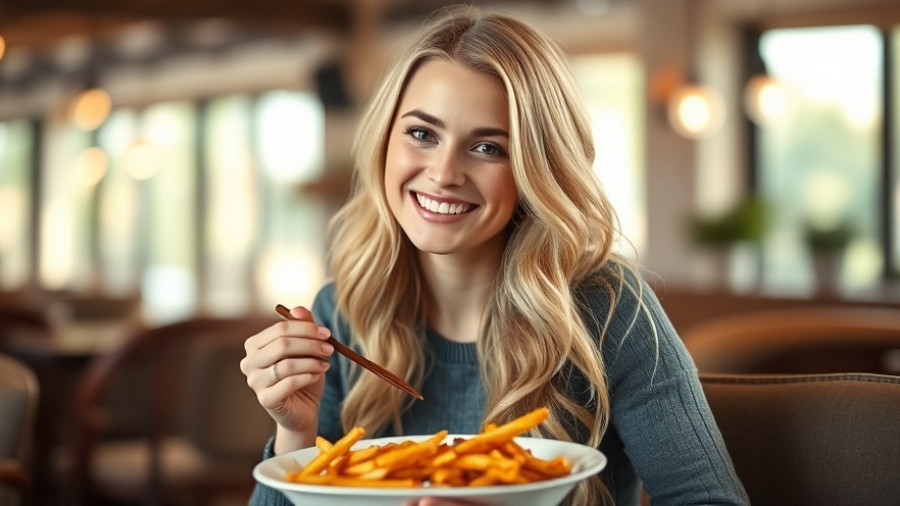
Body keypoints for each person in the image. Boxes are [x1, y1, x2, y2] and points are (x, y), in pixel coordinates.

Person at [240, 5, 749, 506]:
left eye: (488, 148)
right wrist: (295, 432)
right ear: (385, 142)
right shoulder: (343, 310)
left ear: (536, 169)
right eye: (422, 134)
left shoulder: (610, 307)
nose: (443, 173)